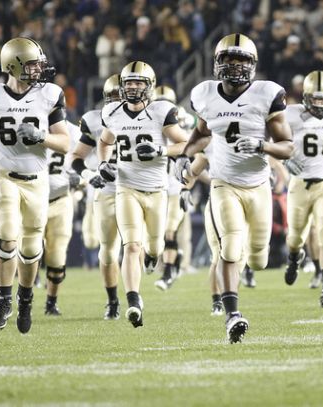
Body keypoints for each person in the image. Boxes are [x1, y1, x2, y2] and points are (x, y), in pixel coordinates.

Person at [175, 33, 293, 343]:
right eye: (228, 59)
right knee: (229, 247)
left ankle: (236, 298)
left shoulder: (267, 94)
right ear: (217, 63)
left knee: (257, 259)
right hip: (223, 183)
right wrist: (185, 157)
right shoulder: (204, 94)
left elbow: (288, 147)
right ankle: (232, 314)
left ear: (253, 64)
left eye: (241, 59)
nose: (235, 66)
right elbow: (201, 134)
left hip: (258, 187)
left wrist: (261, 145)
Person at [0, 37, 70, 334]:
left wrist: (40, 136)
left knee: (32, 247)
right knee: (8, 234)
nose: (39, 69)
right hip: (4, 176)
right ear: (14, 65)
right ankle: (3, 299)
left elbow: (64, 142)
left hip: (37, 181)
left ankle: (25, 299)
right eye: (33, 64)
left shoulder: (48, 95)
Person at [97, 61, 188, 328]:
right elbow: (104, 142)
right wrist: (103, 163)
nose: (133, 87)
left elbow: (183, 143)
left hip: (157, 191)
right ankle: (134, 300)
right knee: (131, 245)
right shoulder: (112, 112)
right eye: (128, 83)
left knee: (155, 247)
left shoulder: (162, 111)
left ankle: (152, 258)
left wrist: (160, 151)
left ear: (149, 86)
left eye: (138, 83)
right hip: (126, 188)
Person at [282, 70, 323, 308]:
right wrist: (285, 159)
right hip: (299, 184)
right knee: (296, 236)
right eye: (314, 98)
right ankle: (295, 257)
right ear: (305, 96)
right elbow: (273, 139)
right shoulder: (290, 114)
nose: (319, 103)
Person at [71, 74, 122, 320]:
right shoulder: (94, 120)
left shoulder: (150, 117)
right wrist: (89, 174)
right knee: (106, 250)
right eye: (112, 98)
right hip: (106, 189)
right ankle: (113, 301)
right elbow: (76, 157)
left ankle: (133, 296)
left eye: (120, 97)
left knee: (140, 246)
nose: (118, 102)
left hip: (140, 188)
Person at [42, 120, 81, 315]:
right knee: (28, 252)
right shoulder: (30, 122)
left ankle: (51, 302)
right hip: (32, 200)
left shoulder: (74, 132)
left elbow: (88, 161)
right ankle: (24, 299)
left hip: (61, 200)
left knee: (57, 257)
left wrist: (80, 176)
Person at [153, 85, 189, 291]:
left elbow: (191, 150)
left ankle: (168, 272)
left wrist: (188, 187)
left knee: (170, 231)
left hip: (175, 188)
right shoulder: (146, 122)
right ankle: (173, 260)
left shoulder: (180, 121)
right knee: (156, 236)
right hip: (156, 188)